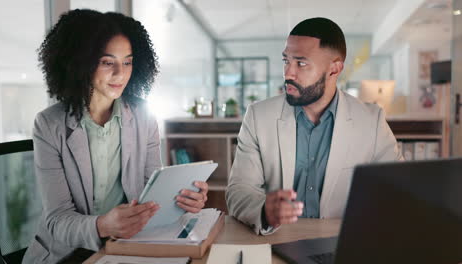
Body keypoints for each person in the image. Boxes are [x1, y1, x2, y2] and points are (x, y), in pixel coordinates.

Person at [23, 9, 209, 263]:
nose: (120, 73)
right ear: (81, 62)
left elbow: (151, 196)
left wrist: (183, 201)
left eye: (128, 62)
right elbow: (57, 220)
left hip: (125, 247)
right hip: (66, 254)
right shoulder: (49, 124)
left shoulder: (144, 118)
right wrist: (102, 225)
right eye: (107, 62)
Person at [226, 17, 402, 235]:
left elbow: (398, 191)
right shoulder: (258, 116)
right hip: (277, 239)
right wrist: (264, 211)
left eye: (301, 63)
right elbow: (239, 190)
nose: (288, 73)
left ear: (334, 69)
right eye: (286, 61)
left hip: (341, 242)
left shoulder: (371, 121)